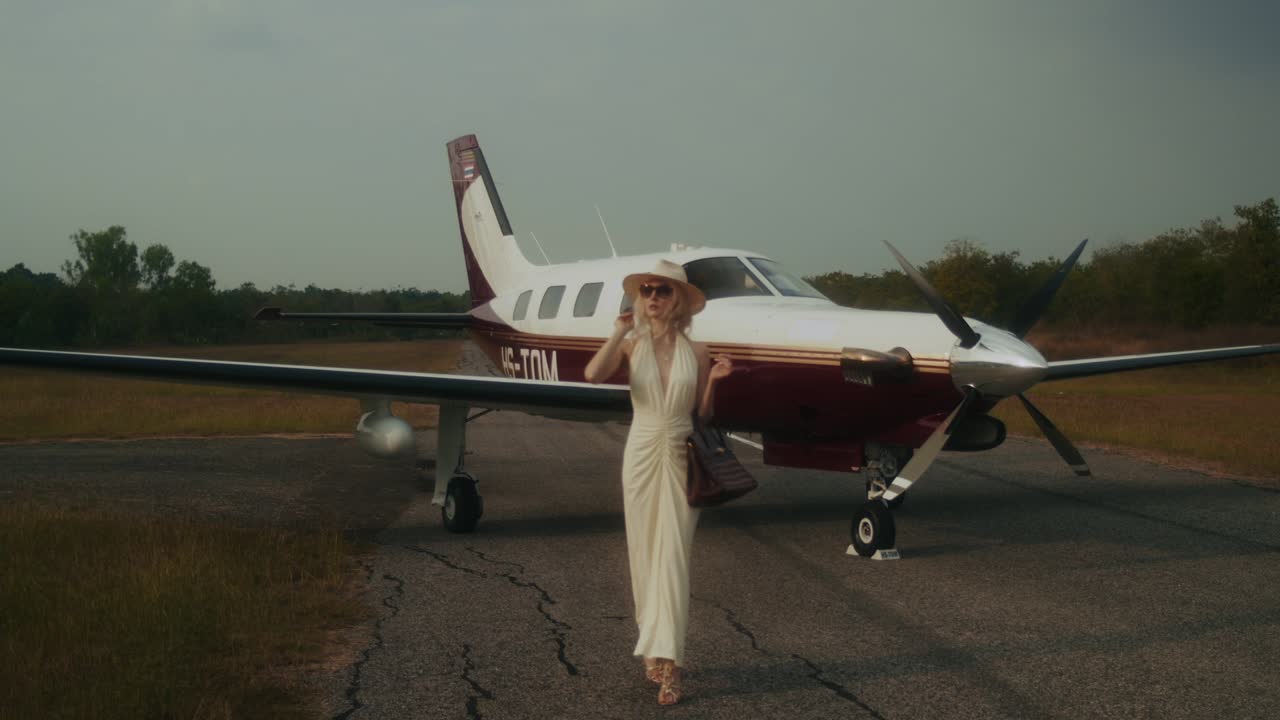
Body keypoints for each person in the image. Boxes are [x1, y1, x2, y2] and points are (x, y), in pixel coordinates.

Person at [584, 258, 733, 705]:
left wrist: (715, 384)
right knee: (644, 554)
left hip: (681, 452)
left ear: (679, 301)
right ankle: (651, 647)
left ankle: (670, 664)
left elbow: (702, 416)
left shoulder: (699, 352)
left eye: (662, 290)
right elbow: (593, 374)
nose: (652, 297)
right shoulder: (630, 346)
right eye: (647, 290)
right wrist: (617, 331)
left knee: (673, 556)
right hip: (642, 451)